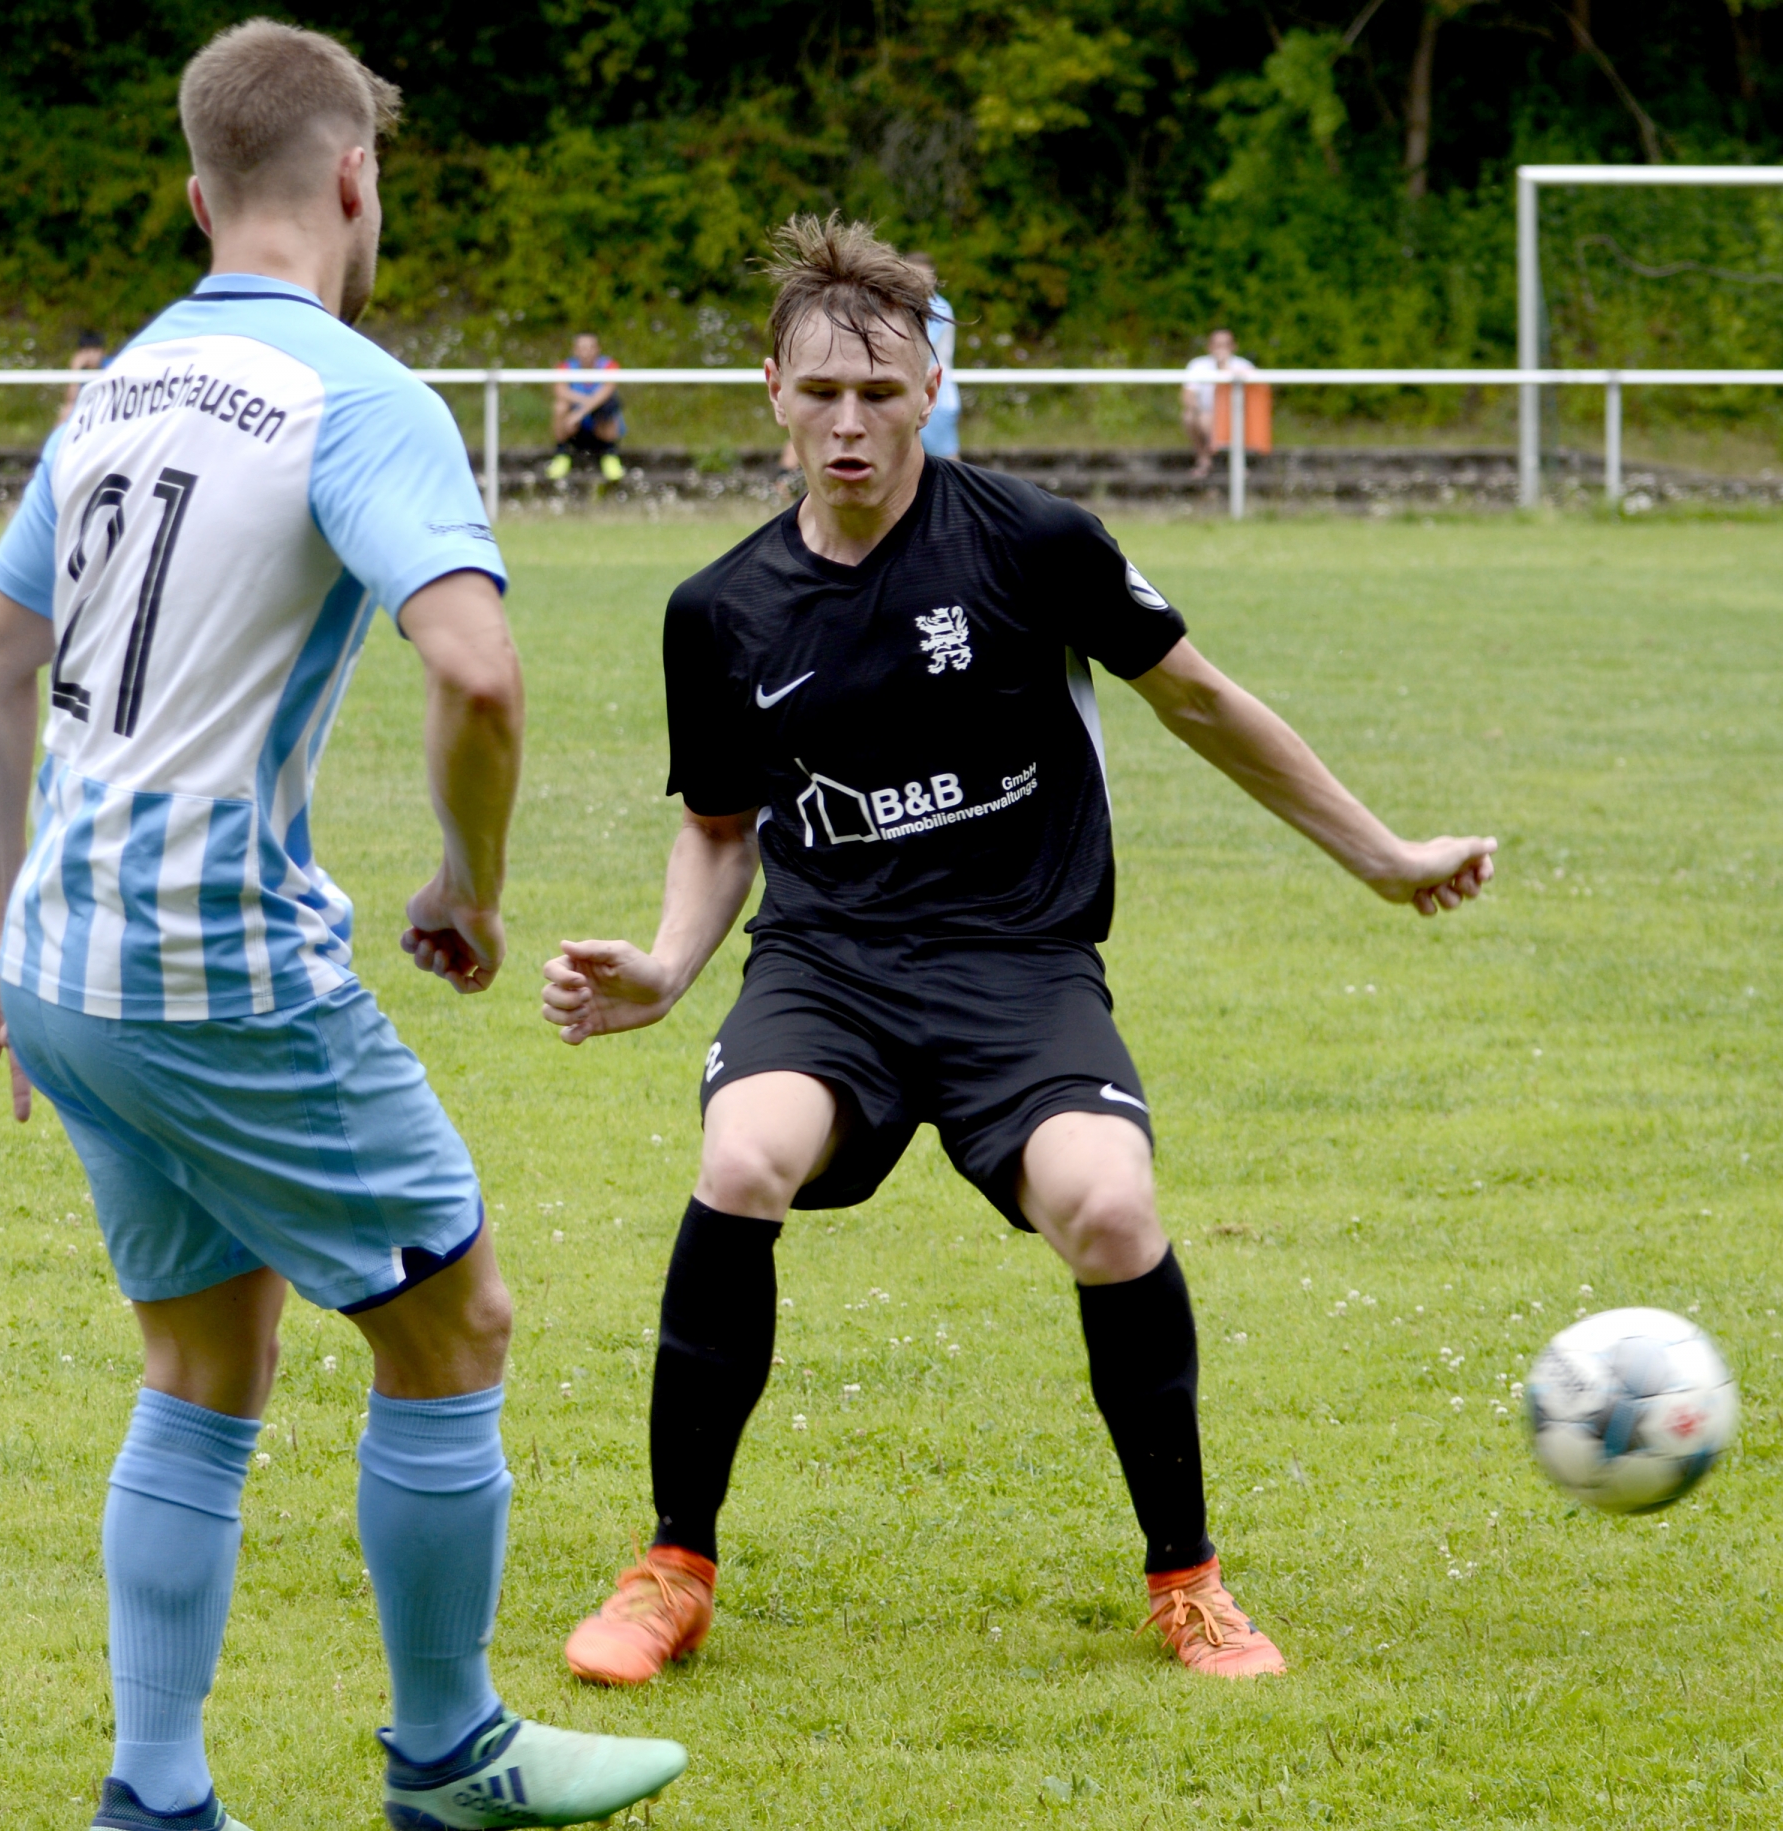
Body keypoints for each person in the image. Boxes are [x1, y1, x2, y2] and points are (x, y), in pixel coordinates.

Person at [540, 213, 1496, 1690]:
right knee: (742, 1156)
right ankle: (673, 1567)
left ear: (930, 387)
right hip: (829, 968)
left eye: (879, 391)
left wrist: (1384, 856)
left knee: (1109, 1205)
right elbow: (721, 828)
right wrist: (666, 971)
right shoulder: (719, 611)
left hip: (1021, 965)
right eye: (819, 392)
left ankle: (1188, 1579)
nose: (848, 424)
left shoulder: (1035, 542)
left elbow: (1201, 700)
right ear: (772, 394)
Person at [0, 21, 685, 1831]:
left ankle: (157, 1795)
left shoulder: (114, 393)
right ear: (357, 178)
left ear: (198, 200)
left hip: (68, 965)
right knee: (455, 1323)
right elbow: (478, 669)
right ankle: (451, 1755)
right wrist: (468, 884)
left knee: (205, 1361)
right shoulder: (359, 397)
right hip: (216, 965)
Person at [547, 331, 626, 482]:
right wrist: (584, 402)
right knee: (560, 406)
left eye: (591, 347)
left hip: (599, 425)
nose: (587, 352)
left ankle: (610, 454)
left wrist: (581, 412)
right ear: (575, 350)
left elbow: (606, 392)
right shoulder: (566, 366)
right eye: (582, 348)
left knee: (609, 405)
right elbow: (560, 390)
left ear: (598, 349)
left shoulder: (609, 366)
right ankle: (561, 452)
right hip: (574, 427)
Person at [905, 252, 960, 460]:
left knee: (948, 463)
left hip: (937, 397)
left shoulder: (938, 307)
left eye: (924, 276)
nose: (918, 282)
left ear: (933, 279)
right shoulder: (906, 307)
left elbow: (920, 341)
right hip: (916, 395)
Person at [1181, 328, 1255, 480]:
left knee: (1221, 420)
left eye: (1225, 344)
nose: (1221, 348)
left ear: (1234, 346)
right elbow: (1188, 394)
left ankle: (1234, 462)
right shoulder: (1197, 365)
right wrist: (1197, 410)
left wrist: (1224, 366)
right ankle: (1205, 459)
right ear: (1209, 346)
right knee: (1189, 417)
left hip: (1236, 413)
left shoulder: (1243, 365)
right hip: (1205, 413)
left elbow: (1256, 392)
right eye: (1217, 344)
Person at [56, 329, 107, 426]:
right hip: (86, 407)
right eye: (87, 351)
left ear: (102, 351)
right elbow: (71, 399)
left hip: (106, 405)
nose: (91, 355)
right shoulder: (80, 370)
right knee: (67, 409)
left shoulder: (111, 365)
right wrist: (75, 369)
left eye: (95, 350)